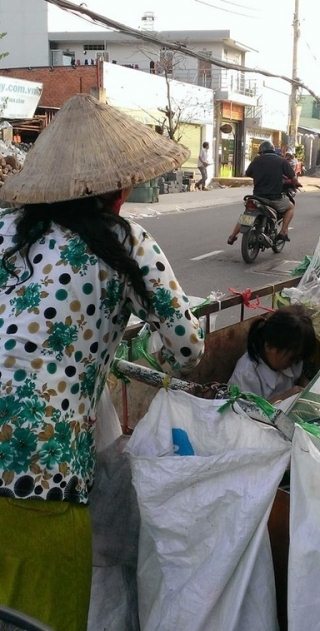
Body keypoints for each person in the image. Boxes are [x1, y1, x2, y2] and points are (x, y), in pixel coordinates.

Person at [0, 94, 205, 631]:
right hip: (36, 478)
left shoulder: (4, 231)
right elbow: (187, 347)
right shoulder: (127, 242)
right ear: (118, 189)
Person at [228, 305, 316, 403]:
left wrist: (307, 389)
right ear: (269, 346)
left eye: (298, 359)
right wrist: (283, 398)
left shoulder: (293, 360)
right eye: (291, 359)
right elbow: (240, 413)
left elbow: (300, 378)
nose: (294, 363)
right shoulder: (245, 375)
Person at [227, 140, 298, 245]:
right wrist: (296, 183)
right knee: (290, 207)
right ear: (273, 150)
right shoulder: (281, 161)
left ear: (261, 152)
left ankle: (232, 236)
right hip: (274, 198)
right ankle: (283, 232)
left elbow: (248, 173)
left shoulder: (256, 160)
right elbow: (294, 178)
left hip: (257, 197)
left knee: (246, 215)